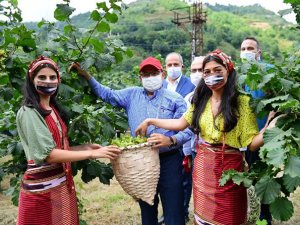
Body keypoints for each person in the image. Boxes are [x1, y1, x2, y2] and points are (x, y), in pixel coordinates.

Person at [135, 49, 278, 225]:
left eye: (218, 70)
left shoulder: (242, 102)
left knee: (229, 217)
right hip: (203, 169)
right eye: (207, 72)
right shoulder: (201, 100)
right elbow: (180, 123)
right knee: (203, 218)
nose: (212, 75)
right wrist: (150, 121)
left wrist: (272, 126)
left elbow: (252, 144)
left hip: (230, 170)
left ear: (228, 70)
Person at [70, 57, 192, 225]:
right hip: (140, 162)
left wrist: (170, 139)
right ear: (140, 77)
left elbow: (188, 130)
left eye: (154, 73)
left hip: (169, 160)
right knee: (147, 208)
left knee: (174, 211)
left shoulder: (175, 99)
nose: (150, 77)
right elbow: (107, 94)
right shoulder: (131, 95)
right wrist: (86, 75)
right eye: (145, 74)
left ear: (162, 74)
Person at [16, 56, 121, 225]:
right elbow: (48, 155)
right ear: (31, 80)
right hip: (41, 193)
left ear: (58, 80)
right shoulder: (29, 112)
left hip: (59, 187)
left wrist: (83, 147)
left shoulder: (51, 109)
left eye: (52, 77)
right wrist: (92, 153)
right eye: (41, 77)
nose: (48, 81)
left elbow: (58, 149)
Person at [158, 52, 195, 224]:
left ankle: (183, 210)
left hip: (184, 138)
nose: (173, 68)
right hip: (165, 141)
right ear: (165, 68)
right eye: (169, 65)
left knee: (185, 179)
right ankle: (170, 212)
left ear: (182, 66)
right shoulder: (161, 85)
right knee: (171, 182)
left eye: (176, 64)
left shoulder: (190, 85)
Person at [240, 36, 273, 225]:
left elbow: (277, 102)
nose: (246, 52)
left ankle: (265, 216)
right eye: (243, 48)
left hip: (264, 136)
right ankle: (248, 213)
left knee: (263, 178)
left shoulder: (268, 71)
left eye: (250, 48)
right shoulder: (239, 75)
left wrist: (270, 125)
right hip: (244, 136)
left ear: (258, 52)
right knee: (247, 177)